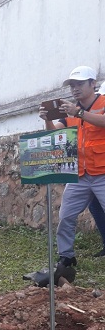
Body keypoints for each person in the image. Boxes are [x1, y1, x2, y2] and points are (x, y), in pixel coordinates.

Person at [38, 65, 105, 270]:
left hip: (102, 172)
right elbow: (54, 134)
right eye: (72, 85)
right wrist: (47, 120)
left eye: (80, 84)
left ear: (93, 83)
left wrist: (80, 113)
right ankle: (66, 257)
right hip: (80, 175)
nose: (75, 89)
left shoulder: (102, 103)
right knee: (66, 216)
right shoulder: (68, 111)